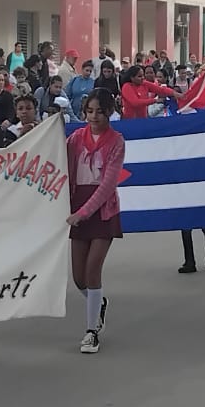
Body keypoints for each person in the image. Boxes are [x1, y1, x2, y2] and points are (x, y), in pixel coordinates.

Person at [66, 88, 125, 354]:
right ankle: (97, 302)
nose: (94, 117)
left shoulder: (116, 141)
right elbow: (61, 168)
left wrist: (84, 212)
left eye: (100, 111)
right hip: (77, 207)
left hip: (102, 212)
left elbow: (107, 185)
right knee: (79, 278)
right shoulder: (76, 138)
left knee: (92, 271)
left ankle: (91, 332)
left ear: (109, 112)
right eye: (89, 111)